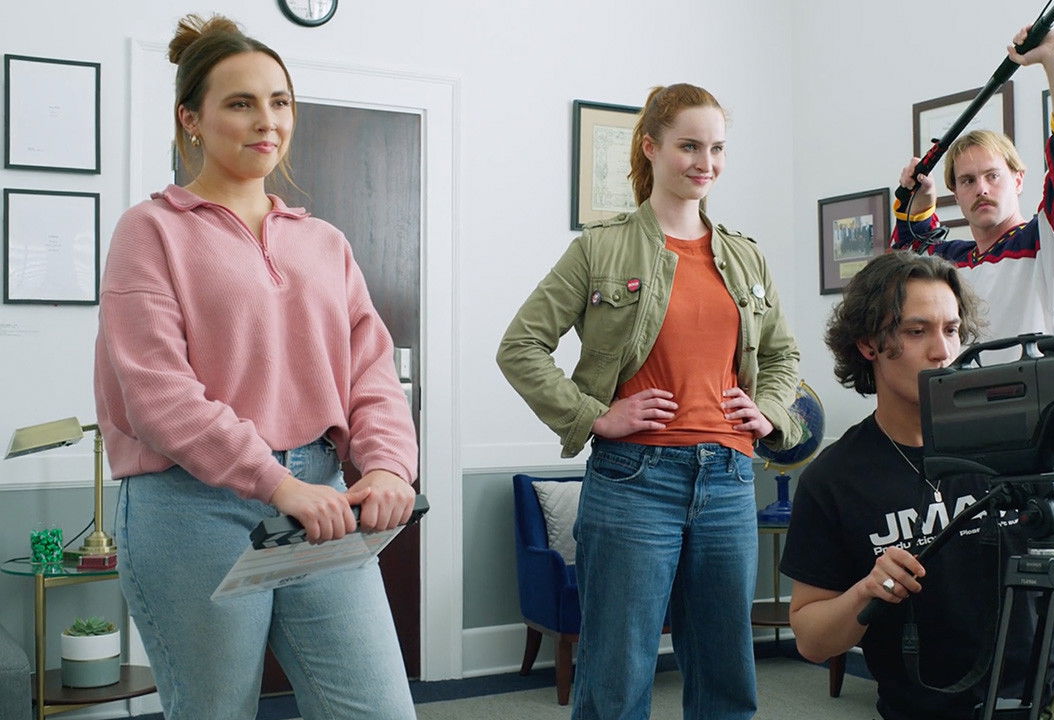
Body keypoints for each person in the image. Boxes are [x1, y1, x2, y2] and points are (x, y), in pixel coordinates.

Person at [94, 15, 418, 719]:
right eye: (241, 103)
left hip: (322, 498)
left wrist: (390, 465)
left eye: (279, 101)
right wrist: (274, 483)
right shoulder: (150, 231)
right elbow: (157, 394)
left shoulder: (325, 242)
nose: (266, 120)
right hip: (191, 507)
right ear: (191, 119)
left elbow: (371, 371)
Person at [496, 83, 803, 720]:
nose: (705, 162)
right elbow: (520, 346)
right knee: (616, 675)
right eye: (689, 146)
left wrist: (770, 411)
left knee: (726, 676)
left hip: (728, 479)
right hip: (634, 481)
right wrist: (593, 416)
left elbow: (782, 356)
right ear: (650, 147)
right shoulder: (599, 247)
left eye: (717, 148)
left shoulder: (746, 257)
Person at [781, 251, 1054, 720]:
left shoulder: (1028, 436)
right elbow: (812, 639)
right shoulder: (834, 479)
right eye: (917, 331)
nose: (942, 351)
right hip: (925, 710)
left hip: (1051, 699)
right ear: (867, 344)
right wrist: (866, 593)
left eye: (952, 329)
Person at [893, 26, 1054, 344]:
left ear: (1018, 180)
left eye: (993, 175)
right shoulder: (951, 262)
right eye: (967, 180)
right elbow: (902, 269)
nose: (981, 189)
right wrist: (919, 207)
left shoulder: (1049, 246)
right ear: (956, 194)